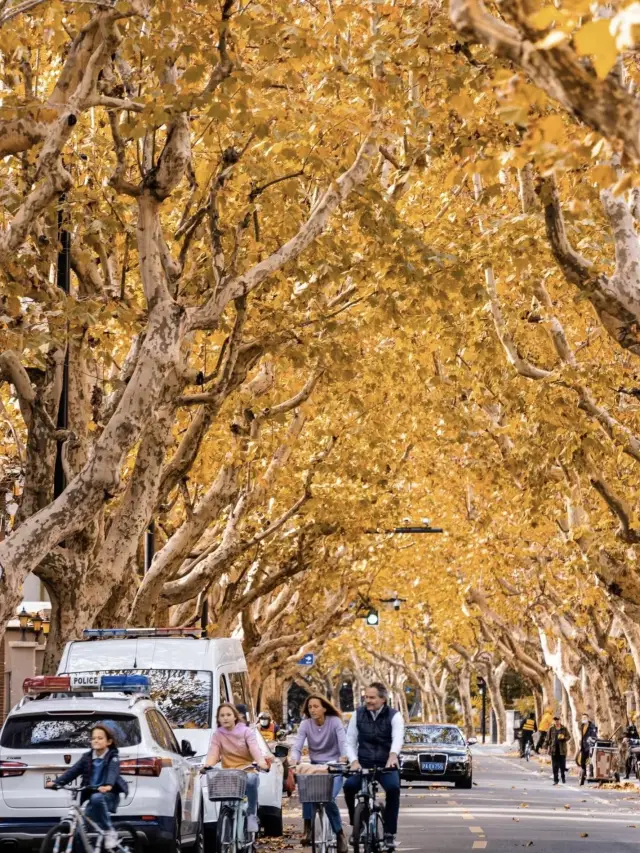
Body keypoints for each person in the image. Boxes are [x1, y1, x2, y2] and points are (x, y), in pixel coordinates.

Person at [46, 724, 128, 850]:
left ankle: (109, 830)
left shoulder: (113, 757)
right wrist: (57, 783)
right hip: (93, 799)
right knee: (80, 831)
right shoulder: (87, 757)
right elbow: (73, 771)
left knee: (96, 798)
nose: (96, 740)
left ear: (109, 741)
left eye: (100, 738)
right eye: (94, 738)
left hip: (108, 796)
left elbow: (112, 771)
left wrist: (108, 785)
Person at [344, 682, 405, 851]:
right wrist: (354, 761)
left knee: (393, 789)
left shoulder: (395, 716)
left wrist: (393, 755)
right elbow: (349, 742)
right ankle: (357, 825)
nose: (368, 701)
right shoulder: (357, 715)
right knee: (349, 787)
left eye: (372, 697)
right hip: (363, 764)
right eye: (366, 697)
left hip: (386, 764)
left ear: (383, 699)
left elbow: (398, 738)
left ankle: (389, 834)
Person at [289, 695, 348, 852]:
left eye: (316, 706)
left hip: (334, 767)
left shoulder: (334, 721)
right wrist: (294, 760)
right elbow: (297, 746)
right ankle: (308, 828)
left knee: (328, 798)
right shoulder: (305, 724)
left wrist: (344, 756)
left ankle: (340, 835)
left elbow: (343, 742)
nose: (313, 710)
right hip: (315, 767)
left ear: (324, 708)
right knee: (307, 791)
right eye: (310, 707)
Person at [204, 702, 269, 832]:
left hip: (246, 770)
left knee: (252, 780)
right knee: (224, 796)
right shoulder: (218, 734)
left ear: (235, 717)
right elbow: (213, 753)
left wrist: (261, 763)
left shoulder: (246, 732)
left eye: (228, 714)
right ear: (218, 719)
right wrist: (207, 765)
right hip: (229, 773)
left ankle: (251, 815)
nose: (225, 718)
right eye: (222, 715)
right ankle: (227, 822)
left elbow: (255, 749)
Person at [547, 716, 571, 785]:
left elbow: (569, 736)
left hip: (562, 750)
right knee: (555, 766)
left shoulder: (564, 728)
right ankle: (555, 780)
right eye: (555, 720)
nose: (556, 721)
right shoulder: (551, 729)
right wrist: (546, 747)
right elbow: (547, 738)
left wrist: (564, 738)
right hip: (553, 750)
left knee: (562, 766)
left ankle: (563, 777)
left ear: (560, 720)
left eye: (557, 720)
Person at [579, 712, 598, 786]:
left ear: (588, 718)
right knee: (582, 762)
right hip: (583, 747)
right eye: (582, 718)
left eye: (585, 718)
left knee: (589, 761)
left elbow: (594, 736)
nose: (584, 719)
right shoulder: (582, 726)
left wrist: (591, 739)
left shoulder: (592, 727)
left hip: (590, 747)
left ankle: (590, 773)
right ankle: (583, 773)